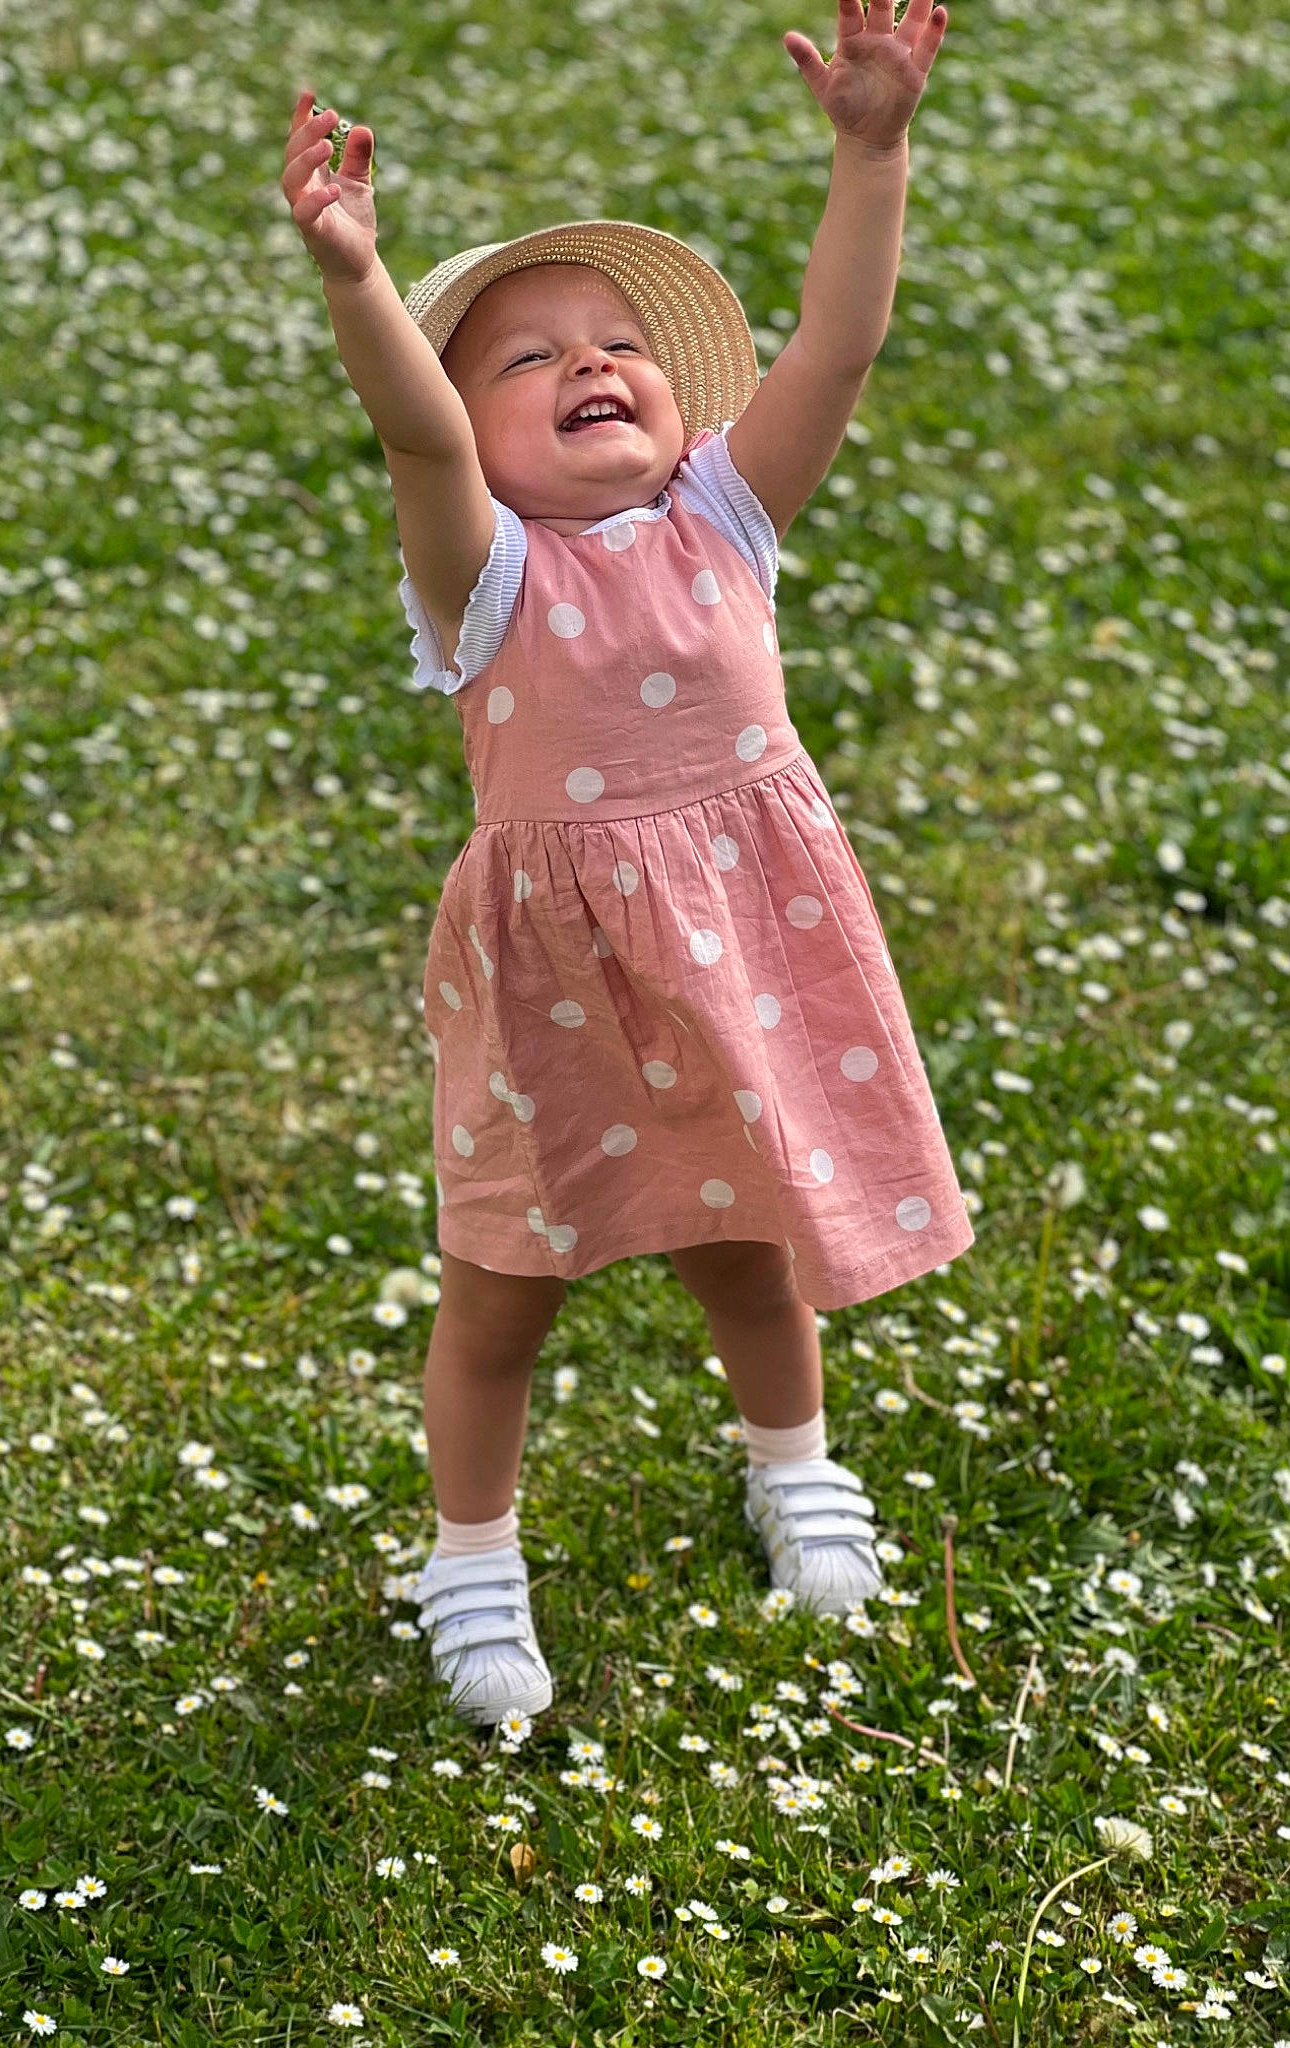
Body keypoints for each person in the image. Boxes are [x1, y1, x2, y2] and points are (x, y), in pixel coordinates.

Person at [281, 0, 972, 1728]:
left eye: (616, 344)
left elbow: (839, 348)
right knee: (501, 1290)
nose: (586, 364)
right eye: (525, 360)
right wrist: (359, 276)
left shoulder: (726, 515)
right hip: (553, 987)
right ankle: (471, 1557)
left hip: (741, 953)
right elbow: (416, 437)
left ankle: (794, 1460)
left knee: (750, 1242)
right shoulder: (487, 573)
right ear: (474, 427)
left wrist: (871, 152)